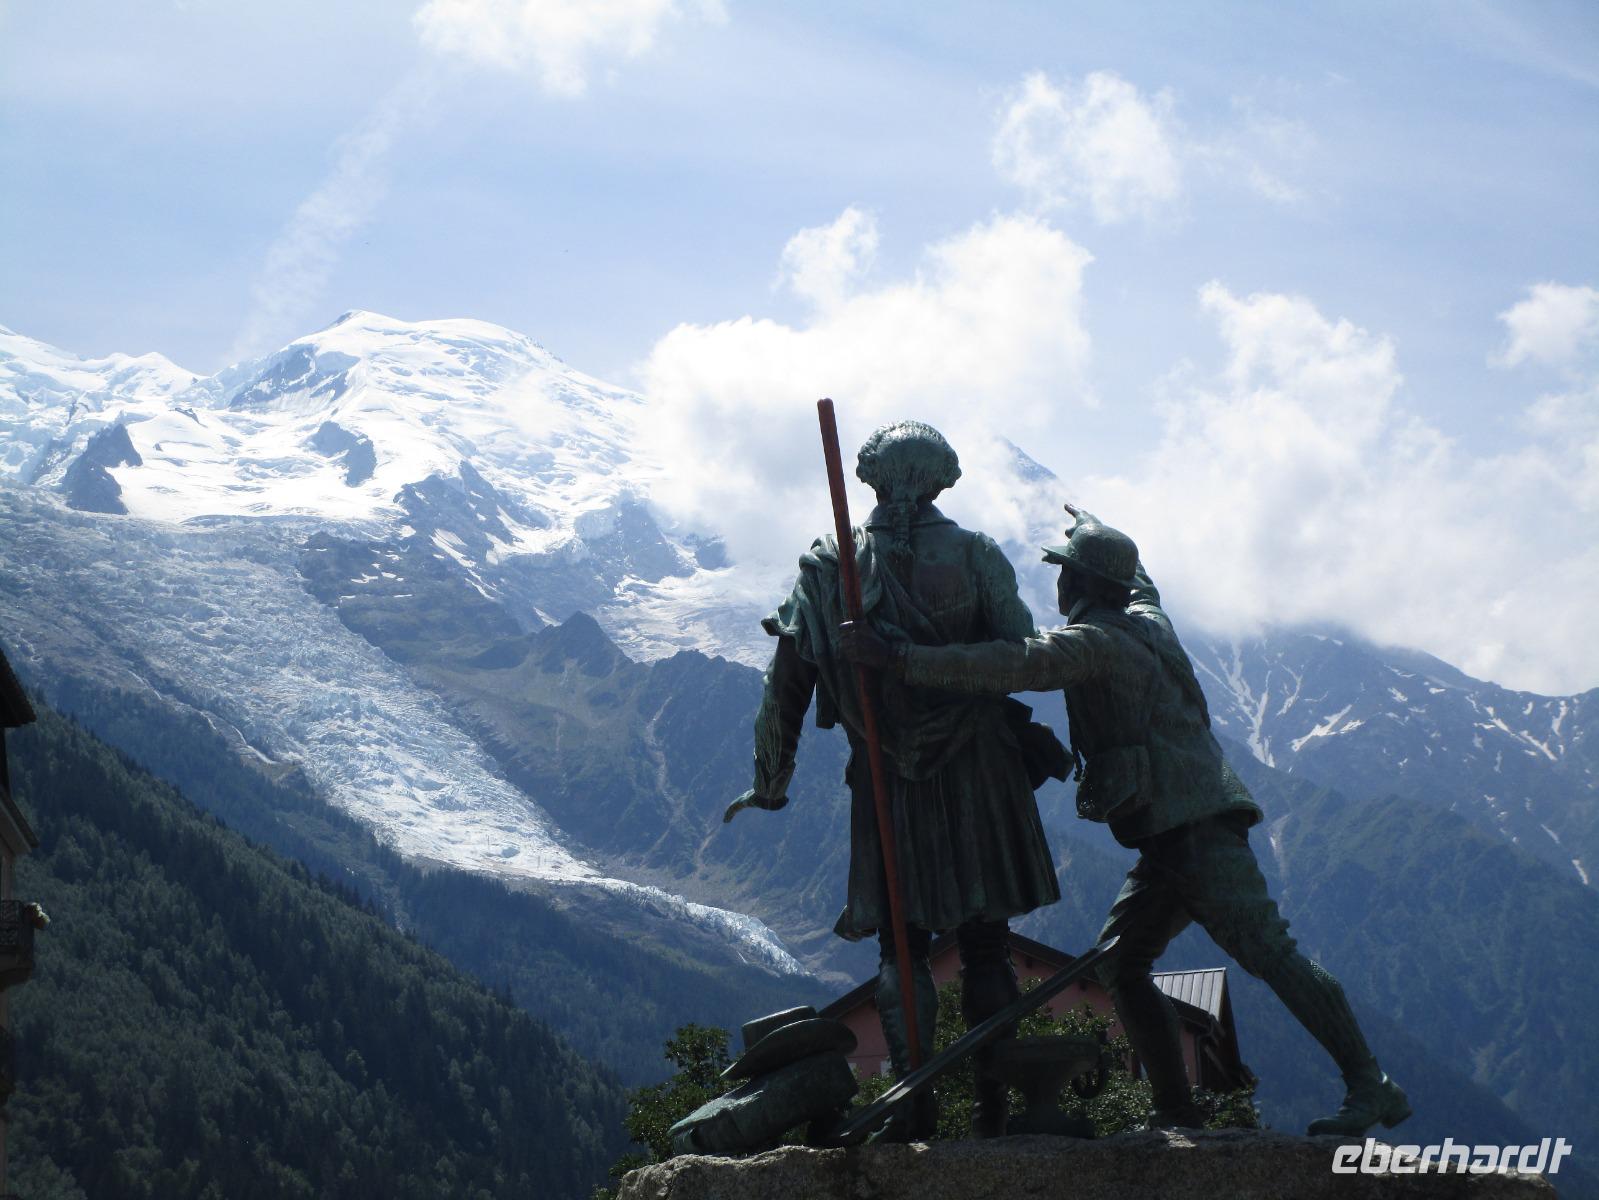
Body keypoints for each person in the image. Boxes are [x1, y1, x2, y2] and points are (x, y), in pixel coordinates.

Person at [837, 505, 1411, 1137]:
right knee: (1122, 961)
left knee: (1271, 953)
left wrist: (896, 658)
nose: (1055, 583)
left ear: (1077, 585)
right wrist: (1097, 528)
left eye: (1064, 572)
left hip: (1192, 831)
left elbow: (1010, 664)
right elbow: (1146, 584)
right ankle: (1175, 1107)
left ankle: (1369, 1082)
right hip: (1171, 838)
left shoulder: (1095, 645)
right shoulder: (1148, 622)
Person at [725, 420, 1065, 1138]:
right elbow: (1023, 658)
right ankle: (995, 1106)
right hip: (980, 766)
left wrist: (771, 777)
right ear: (941, 479)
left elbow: (785, 684)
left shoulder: (828, 566)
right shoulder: (974, 557)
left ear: (872, 480)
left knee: (900, 947)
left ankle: (912, 1104)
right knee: (985, 939)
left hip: (887, 773)